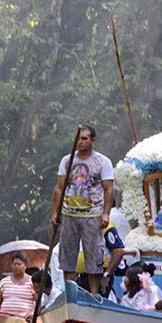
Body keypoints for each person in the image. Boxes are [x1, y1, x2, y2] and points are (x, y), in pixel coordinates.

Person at [51, 125, 114, 294]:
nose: (80, 142)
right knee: (67, 256)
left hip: (92, 214)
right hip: (69, 213)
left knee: (93, 256)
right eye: (78, 138)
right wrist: (55, 212)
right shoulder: (67, 160)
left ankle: (94, 294)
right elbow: (59, 187)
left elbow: (108, 189)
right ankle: (70, 294)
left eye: (85, 138)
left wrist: (106, 213)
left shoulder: (102, 162)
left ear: (92, 140)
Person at [0, 253, 36, 318]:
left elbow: (38, 303)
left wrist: (32, 313)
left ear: (25, 265)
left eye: (19, 264)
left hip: (25, 320)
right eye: (14, 264)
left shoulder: (33, 282)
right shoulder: (4, 282)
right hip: (4, 319)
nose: (16, 266)